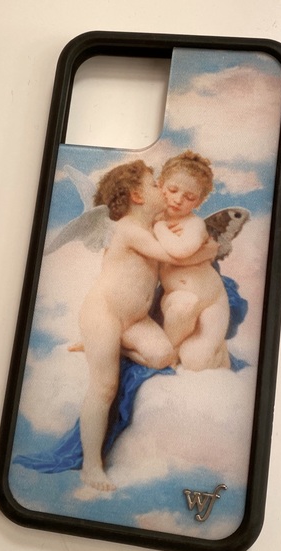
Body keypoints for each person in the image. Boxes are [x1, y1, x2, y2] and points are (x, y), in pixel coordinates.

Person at [78, 160, 217, 491]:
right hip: (105, 314)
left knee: (163, 356)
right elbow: (175, 256)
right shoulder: (128, 228)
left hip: (134, 320)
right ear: (137, 196)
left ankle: (113, 348)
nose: (163, 190)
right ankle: (91, 466)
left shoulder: (154, 225)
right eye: (156, 184)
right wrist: (210, 250)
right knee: (104, 387)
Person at [153, 151, 231, 371]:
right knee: (183, 304)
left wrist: (160, 228)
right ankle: (173, 348)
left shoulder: (194, 224)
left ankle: (217, 349)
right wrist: (158, 225)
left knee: (196, 362)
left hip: (212, 302)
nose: (178, 200)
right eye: (173, 190)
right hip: (177, 302)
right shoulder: (150, 222)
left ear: (199, 201)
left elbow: (180, 250)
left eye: (189, 197)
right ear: (160, 185)